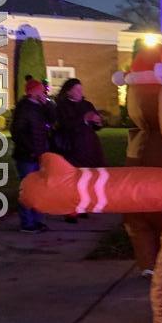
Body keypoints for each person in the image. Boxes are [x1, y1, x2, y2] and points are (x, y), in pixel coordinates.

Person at [54, 78, 104, 221]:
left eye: (81, 89)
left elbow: (96, 125)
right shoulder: (62, 106)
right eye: (76, 90)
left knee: (86, 179)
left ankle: (82, 206)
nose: (80, 92)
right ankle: (70, 210)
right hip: (72, 147)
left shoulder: (87, 104)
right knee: (72, 180)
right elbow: (64, 125)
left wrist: (98, 122)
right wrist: (83, 119)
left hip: (89, 147)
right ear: (68, 91)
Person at [10, 78, 51, 233]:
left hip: (40, 154)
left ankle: (37, 220)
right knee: (28, 188)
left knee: (38, 188)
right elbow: (17, 132)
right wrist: (31, 149)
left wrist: (46, 103)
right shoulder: (24, 108)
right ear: (32, 91)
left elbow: (53, 119)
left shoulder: (40, 107)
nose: (43, 92)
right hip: (27, 156)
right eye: (41, 89)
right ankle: (27, 223)